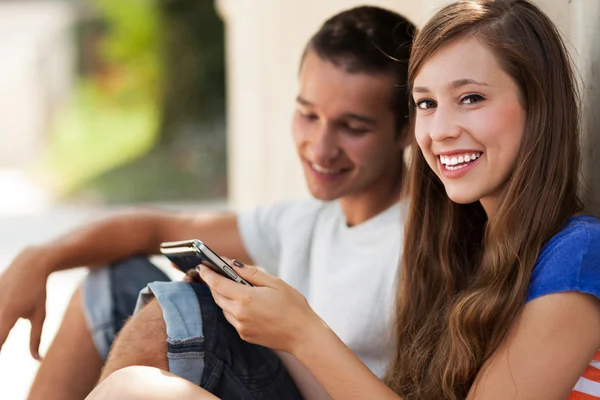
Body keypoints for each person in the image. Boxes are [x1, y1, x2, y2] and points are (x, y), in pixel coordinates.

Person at [89, 0, 600, 399]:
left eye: (471, 98)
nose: (441, 130)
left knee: (136, 389)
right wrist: (279, 321)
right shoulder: (468, 247)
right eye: (426, 103)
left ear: (537, 107)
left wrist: (305, 331)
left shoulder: (577, 254)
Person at [0, 6, 416, 400]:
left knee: (182, 310)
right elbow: (155, 230)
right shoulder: (305, 220)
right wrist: (39, 259)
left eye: (353, 127)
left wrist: (279, 330)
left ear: (406, 131)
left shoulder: (421, 242)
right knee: (111, 282)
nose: (321, 148)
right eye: (309, 115)